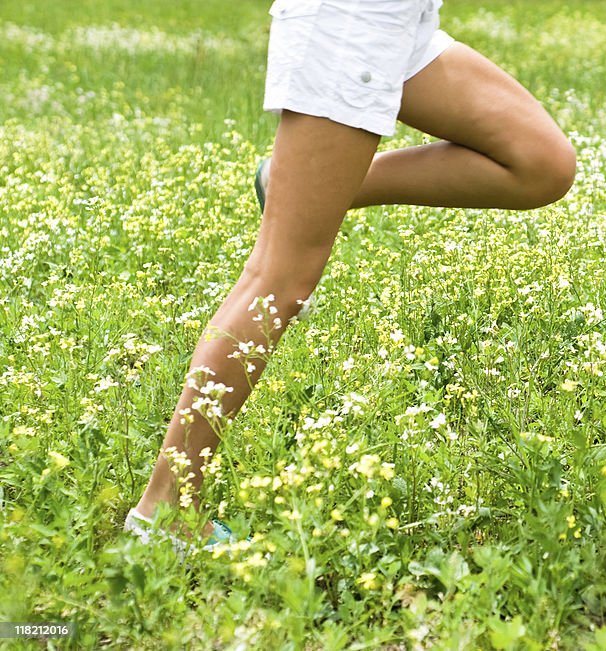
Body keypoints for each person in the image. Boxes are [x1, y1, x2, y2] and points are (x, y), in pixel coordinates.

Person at [124, 0, 576, 551]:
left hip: (402, 23)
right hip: (351, 24)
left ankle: (304, 190)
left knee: (540, 163)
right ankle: (163, 510)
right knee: (279, 285)